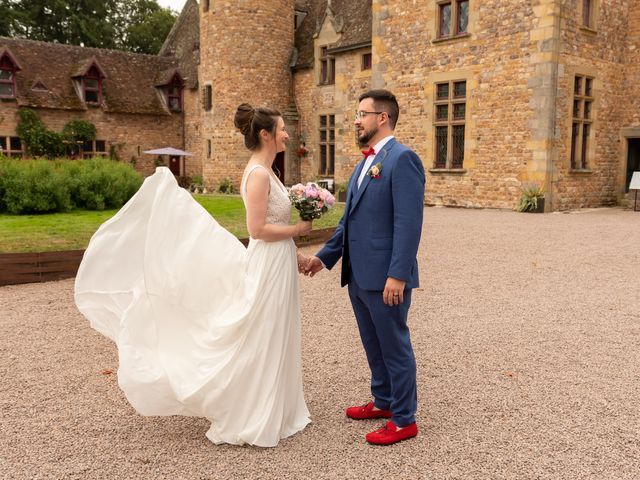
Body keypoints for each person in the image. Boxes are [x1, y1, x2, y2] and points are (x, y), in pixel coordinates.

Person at [75, 103, 312, 447]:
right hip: (267, 263)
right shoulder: (259, 174)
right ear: (266, 134)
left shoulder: (269, 171)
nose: (287, 134)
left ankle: (278, 405)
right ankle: (253, 409)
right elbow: (257, 229)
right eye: (282, 129)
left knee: (275, 330)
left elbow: (270, 229)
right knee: (263, 330)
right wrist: (299, 229)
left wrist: (297, 254)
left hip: (279, 261)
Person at [305, 89, 425, 445]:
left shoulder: (403, 160)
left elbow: (409, 223)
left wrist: (398, 275)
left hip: (387, 278)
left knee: (394, 346)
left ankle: (404, 420)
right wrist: (322, 259)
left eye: (362, 114)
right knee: (373, 344)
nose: (356, 120)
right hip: (358, 275)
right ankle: (383, 401)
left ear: (382, 118)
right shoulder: (363, 164)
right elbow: (348, 222)